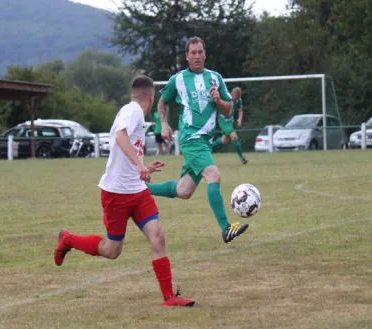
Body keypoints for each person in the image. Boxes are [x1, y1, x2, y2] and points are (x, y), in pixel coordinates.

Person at [54, 75, 194, 308]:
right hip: (117, 193)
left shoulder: (130, 111)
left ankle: (169, 297)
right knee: (112, 250)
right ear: (151, 97)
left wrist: (143, 167)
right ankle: (68, 239)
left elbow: (125, 143)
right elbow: (120, 136)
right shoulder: (134, 111)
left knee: (157, 237)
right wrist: (140, 166)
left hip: (137, 191)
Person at [147, 36, 249, 244]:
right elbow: (162, 102)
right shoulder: (178, 79)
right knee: (214, 176)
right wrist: (164, 124)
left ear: (205, 54)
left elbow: (228, 108)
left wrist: (218, 100)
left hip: (204, 140)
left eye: (200, 52)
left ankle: (140, 191)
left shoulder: (215, 78)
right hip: (190, 138)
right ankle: (226, 228)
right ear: (186, 56)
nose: (197, 56)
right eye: (193, 52)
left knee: (183, 191)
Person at [211, 87, 248, 165]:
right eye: (235, 97)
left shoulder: (238, 100)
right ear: (231, 94)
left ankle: (208, 146)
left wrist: (240, 119)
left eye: (238, 98)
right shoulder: (226, 98)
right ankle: (242, 158)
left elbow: (240, 110)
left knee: (225, 140)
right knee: (234, 136)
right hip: (223, 120)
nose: (236, 99)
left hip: (230, 121)